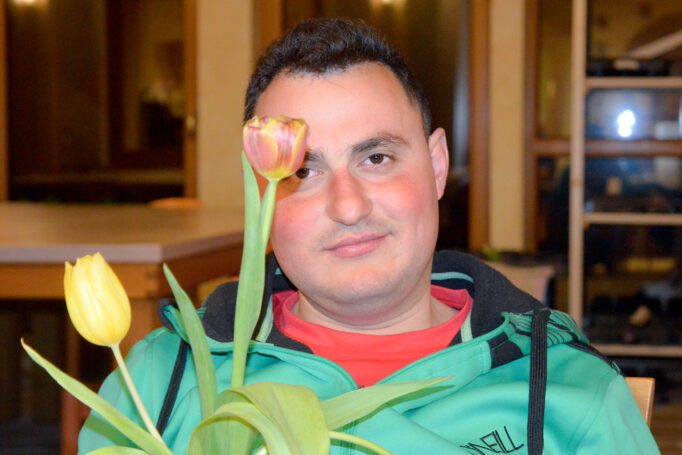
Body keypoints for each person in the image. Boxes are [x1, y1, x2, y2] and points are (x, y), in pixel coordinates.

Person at [79, 18, 658, 454]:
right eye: (304, 172)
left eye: (376, 158)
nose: (348, 206)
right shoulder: (160, 381)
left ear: (436, 165)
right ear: (261, 195)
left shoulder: (568, 392)